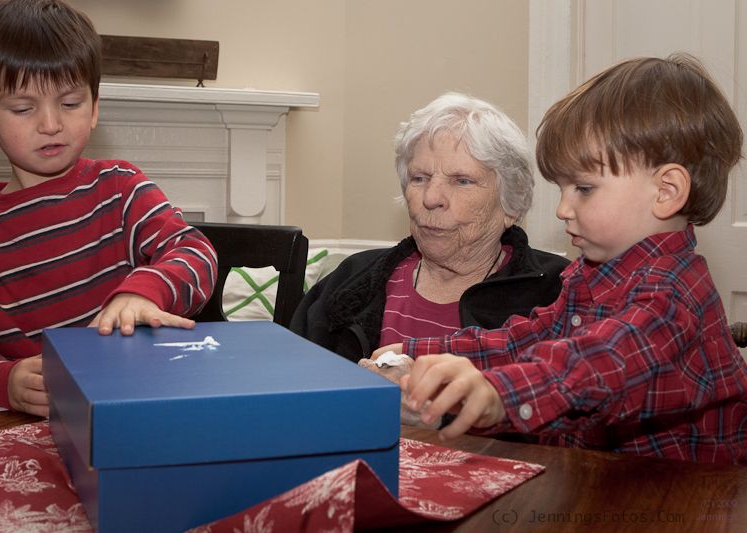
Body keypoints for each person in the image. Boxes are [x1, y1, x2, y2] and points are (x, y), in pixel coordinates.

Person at [384, 54, 747, 464]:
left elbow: (592, 367)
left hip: (683, 506)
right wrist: (417, 353)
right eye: (561, 188)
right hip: (595, 483)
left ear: (666, 191)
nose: (562, 209)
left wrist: (496, 395)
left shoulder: (674, 297)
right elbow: (530, 337)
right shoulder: (591, 272)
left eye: (584, 189)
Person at [0, 0, 217, 417]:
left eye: (70, 103)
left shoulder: (122, 188)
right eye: (23, 108)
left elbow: (196, 252)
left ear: (95, 108)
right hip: (36, 424)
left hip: (141, 403)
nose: (51, 123)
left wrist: (142, 292)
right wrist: (6, 381)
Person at [291, 92, 569, 366]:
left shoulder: (555, 293)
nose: (431, 198)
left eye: (462, 181)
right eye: (419, 178)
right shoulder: (351, 282)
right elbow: (290, 382)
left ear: (512, 204)